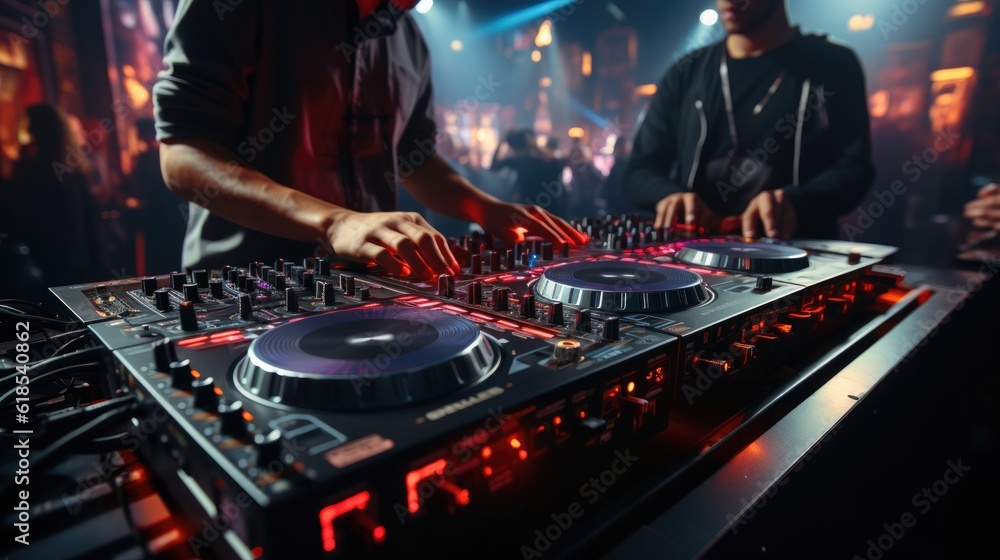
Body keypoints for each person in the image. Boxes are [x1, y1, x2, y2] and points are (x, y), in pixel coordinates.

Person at [154, 0, 585, 281]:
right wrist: (334, 221)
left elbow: (415, 160)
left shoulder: (411, 38)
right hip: (245, 283)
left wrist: (483, 207)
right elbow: (183, 153)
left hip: (366, 280)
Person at [624, 0, 874, 239]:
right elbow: (639, 170)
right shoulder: (685, 74)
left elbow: (854, 168)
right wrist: (669, 195)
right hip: (693, 263)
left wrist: (796, 201)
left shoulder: (833, 64)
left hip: (798, 261)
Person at [490, 129, 570, 218]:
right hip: (540, 206)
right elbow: (494, 166)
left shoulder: (536, 159)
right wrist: (534, 145)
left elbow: (494, 165)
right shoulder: (523, 159)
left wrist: (502, 142)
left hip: (541, 207)